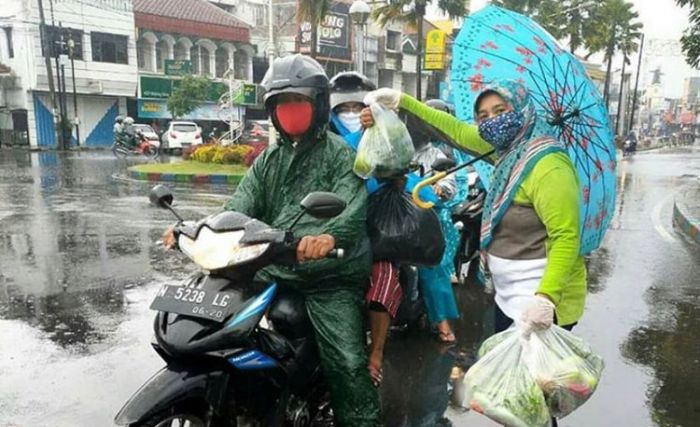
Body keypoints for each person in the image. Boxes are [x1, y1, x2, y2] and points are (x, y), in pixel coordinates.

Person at [164, 55, 381, 427]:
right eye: (282, 105)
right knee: (213, 313)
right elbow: (238, 206)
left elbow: (351, 208)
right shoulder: (268, 160)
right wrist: (197, 229)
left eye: (297, 102)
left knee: (346, 362)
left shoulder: (341, 155)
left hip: (329, 275)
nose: (290, 112)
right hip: (275, 261)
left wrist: (327, 238)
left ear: (316, 105)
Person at [362, 80, 586, 337]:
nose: (492, 121)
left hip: (541, 298)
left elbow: (566, 236)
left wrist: (546, 298)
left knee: (537, 377)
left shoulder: (549, 165)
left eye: (500, 111)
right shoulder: (509, 150)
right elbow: (455, 130)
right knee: (508, 373)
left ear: (522, 110)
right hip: (508, 295)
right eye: (483, 116)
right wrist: (402, 101)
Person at [329, 71, 400, 386]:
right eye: (344, 108)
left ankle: (376, 353)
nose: (351, 113)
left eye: (358, 106)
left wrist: (383, 135)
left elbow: (398, 170)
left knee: (383, 279)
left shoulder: (384, 132)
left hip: (372, 231)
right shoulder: (320, 136)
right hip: (323, 225)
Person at [402, 112, 460, 343]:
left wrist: (440, 189)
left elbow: (449, 182)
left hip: (426, 220)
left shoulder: (435, 154)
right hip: (395, 216)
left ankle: (442, 323)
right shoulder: (394, 150)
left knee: (431, 269)